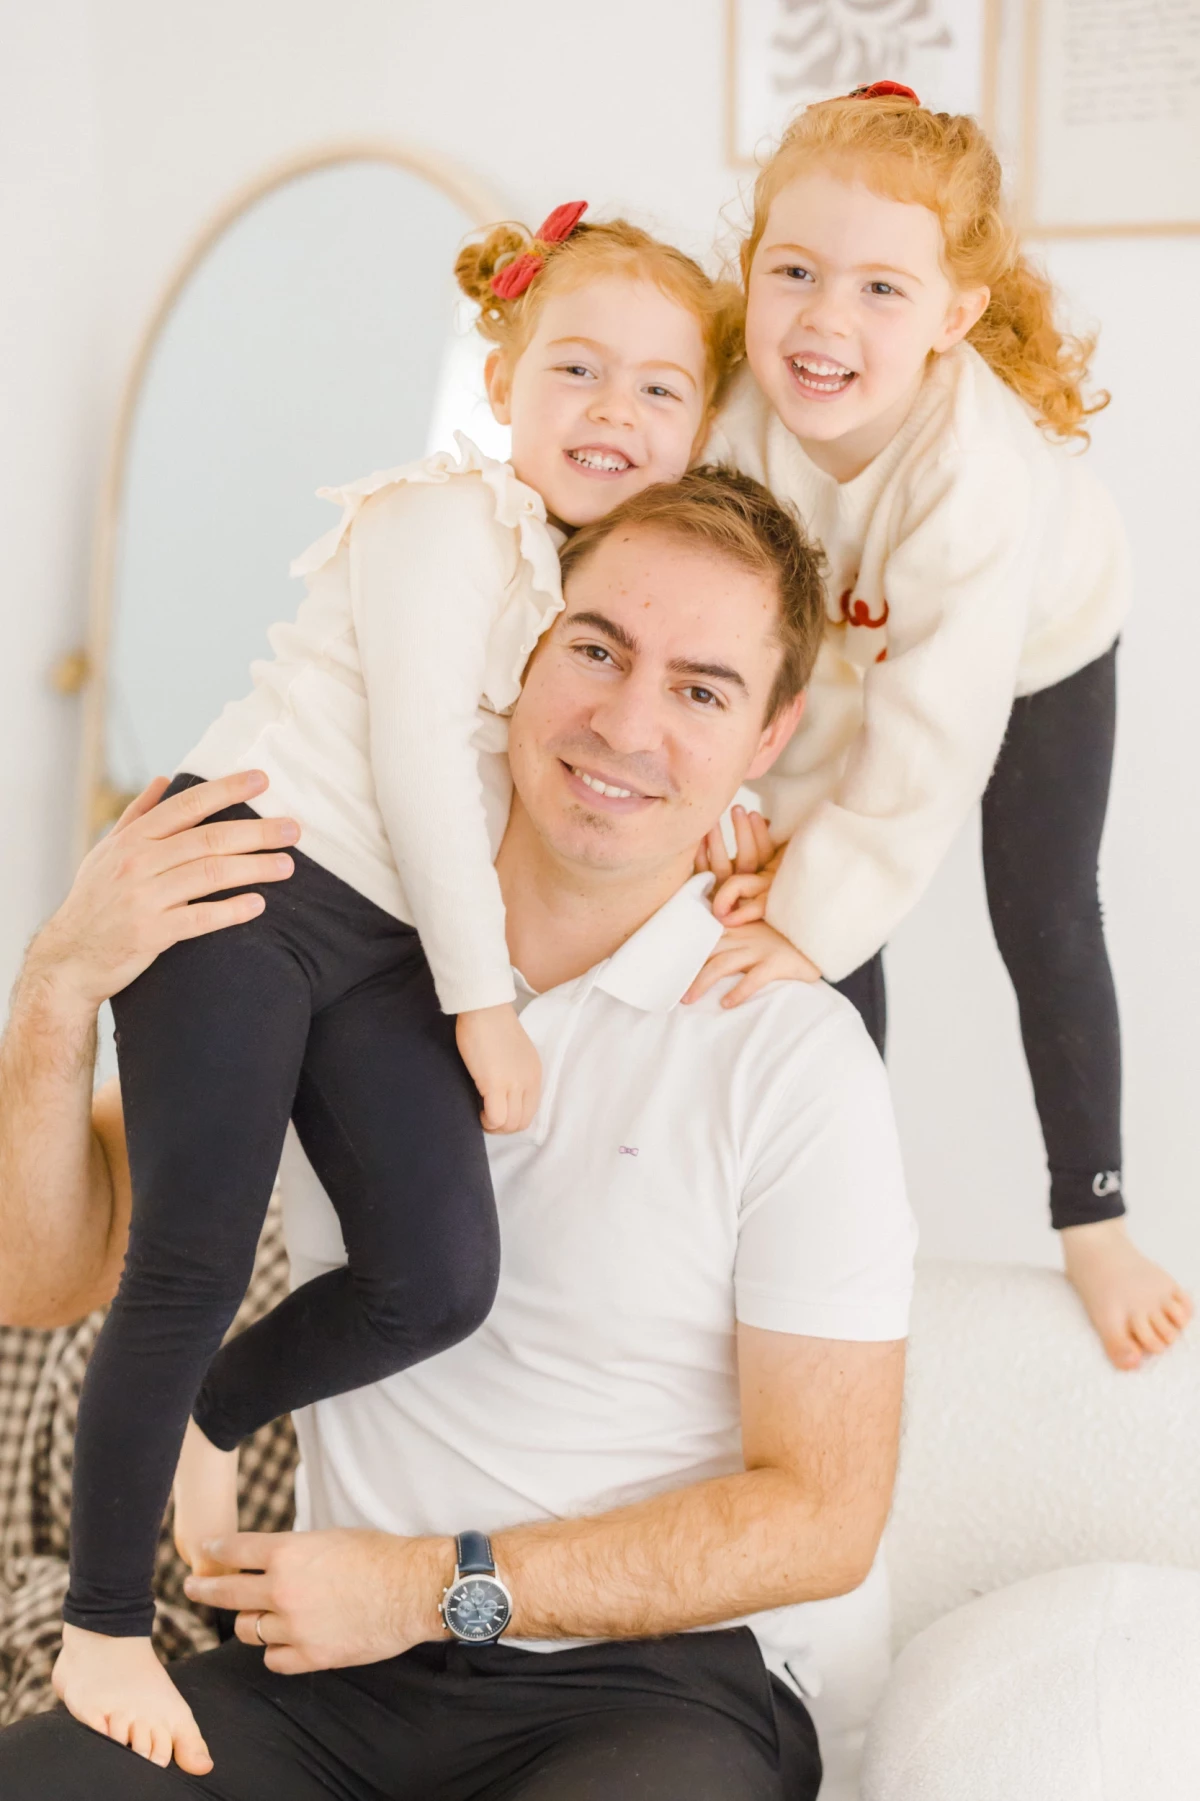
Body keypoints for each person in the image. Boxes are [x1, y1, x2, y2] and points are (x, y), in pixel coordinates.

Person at [0, 466, 916, 1801]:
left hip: (652, 1688)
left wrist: (440, 1588)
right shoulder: (339, 951)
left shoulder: (786, 1053)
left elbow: (824, 1517)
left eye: (701, 689)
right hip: (323, 1679)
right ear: (520, 650)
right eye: (595, 649)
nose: (625, 722)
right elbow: (44, 1278)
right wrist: (52, 993)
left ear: (766, 739)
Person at [51, 205, 753, 1762]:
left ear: (700, 427)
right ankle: (103, 1629)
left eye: (657, 390)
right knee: (192, 1245)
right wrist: (487, 1002)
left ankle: (214, 1411)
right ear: (502, 379)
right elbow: (431, 790)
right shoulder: (440, 524)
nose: (614, 414)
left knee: (438, 1273)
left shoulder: (585, 589)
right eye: (577, 369)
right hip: (245, 878)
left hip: (374, 944)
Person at [704, 82, 1192, 1371]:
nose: (823, 319)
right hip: (852, 643)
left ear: (953, 317)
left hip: (1034, 643)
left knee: (1041, 908)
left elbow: (927, 753)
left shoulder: (973, 479)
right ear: (749, 274)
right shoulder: (737, 429)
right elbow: (749, 650)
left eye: (880, 290)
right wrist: (756, 846)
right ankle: (830, 1221)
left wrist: (812, 913)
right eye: (795, 272)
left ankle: (1095, 1214)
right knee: (796, 915)